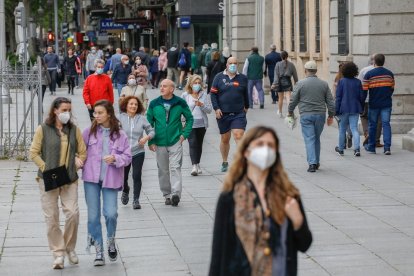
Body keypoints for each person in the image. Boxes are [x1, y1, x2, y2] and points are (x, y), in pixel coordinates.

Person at [209, 126, 312, 276]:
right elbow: (218, 253)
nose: (265, 150)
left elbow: (304, 244)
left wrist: (298, 221)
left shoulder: (288, 195)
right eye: (259, 145)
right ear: (246, 152)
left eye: (270, 146)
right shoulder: (229, 197)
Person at [29, 97, 87, 269]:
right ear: (55, 110)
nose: (66, 113)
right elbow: (34, 152)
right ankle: (58, 254)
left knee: (73, 214)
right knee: (52, 218)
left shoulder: (73, 130)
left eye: (69, 110)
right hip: (48, 178)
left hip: (69, 178)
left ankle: (69, 248)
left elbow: (82, 152)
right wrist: (46, 168)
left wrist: (79, 161)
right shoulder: (43, 129)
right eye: (63, 110)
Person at [82, 100, 132, 266]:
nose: (96, 116)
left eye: (100, 113)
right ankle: (98, 251)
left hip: (110, 179)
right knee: (93, 216)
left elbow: (127, 157)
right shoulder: (89, 132)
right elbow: (80, 152)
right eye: (95, 113)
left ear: (109, 114)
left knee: (111, 214)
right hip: (91, 179)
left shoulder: (120, 135)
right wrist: (77, 160)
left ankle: (111, 240)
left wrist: (115, 158)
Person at [146, 79, 194, 207]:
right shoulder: (154, 104)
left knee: (175, 167)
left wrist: (184, 135)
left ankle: (175, 194)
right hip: (159, 142)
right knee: (163, 170)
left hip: (175, 140)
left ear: (172, 89)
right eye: (160, 86)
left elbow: (189, 119)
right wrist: (151, 140)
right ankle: (167, 195)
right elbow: (149, 123)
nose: (161, 88)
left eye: (165, 86)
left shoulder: (180, 102)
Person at [287, 60, 335, 172]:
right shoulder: (324, 84)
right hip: (320, 115)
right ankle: (316, 161)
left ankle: (312, 163)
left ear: (305, 71)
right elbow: (330, 101)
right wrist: (331, 115)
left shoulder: (300, 84)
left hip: (306, 115)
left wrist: (290, 111)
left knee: (309, 138)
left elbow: (293, 99)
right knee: (316, 138)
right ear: (316, 71)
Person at [210, 56, 249, 172]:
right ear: (226, 64)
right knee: (225, 139)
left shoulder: (242, 78)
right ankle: (225, 161)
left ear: (238, 65)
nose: (233, 65)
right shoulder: (218, 77)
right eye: (230, 63)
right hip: (223, 114)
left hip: (238, 113)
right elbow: (213, 94)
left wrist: (247, 106)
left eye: (235, 63)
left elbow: (246, 94)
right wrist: (216, 108)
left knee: (238, 135)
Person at [119, 96, 155, 209]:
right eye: (131, 104)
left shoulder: (142, 118)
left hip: (138, 151)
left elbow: (152, 130)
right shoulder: (119, 118)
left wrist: (146, 138)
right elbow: (112, 131)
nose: (133, 106)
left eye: (135, 104)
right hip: (124, 153)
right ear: (126, 105)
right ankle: (125, 189)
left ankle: (136, 200)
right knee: (123, 177)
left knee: (136, 175)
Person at [362, 54, 395, 155]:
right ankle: (387, 148)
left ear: (374, 62)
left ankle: (371, 147)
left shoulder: (369, 74)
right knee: (386, 124)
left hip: (374, 103)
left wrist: (362, 102)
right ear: (383, 62)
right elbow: (392, 89)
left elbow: (364, 91)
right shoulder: (390, 74)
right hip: (386, 103)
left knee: (372, 125)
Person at [181, 75, 212, 176]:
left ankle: (197, 163)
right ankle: (194, 165)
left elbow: (209, 110)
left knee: (199, 144)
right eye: (195, 83)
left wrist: (202, 105)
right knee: (192, 143)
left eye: (199, 83)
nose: (197, 85)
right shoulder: (185, 95)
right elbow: (181, 109)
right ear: (190, 84)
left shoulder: (204, 95)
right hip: (190, 124)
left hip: (202, 124)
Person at [335, 62, 366, 157]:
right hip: (355, 108)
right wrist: (361, 107)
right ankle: (357, 149)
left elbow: (338, 97)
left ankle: (340, 149)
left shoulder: (341, 81)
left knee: (342, 129)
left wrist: (336, 109)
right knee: (354, 129)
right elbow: (362, 97)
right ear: (355, 71)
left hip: (343, 109)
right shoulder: (358, 82)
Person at [358, 54, 383, 147]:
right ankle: (376, 140)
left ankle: (367, 133)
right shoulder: (382, 70)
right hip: (377, 99)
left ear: (370, 60)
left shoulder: (364, 70)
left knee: (364, 116)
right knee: (378, 119)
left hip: (366, 98)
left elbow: (359, 84)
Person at [272, 51, 298, 117]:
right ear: (287, 56)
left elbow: (276, 75)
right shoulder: (291, 64)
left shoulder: (278, 64)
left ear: (281, 57)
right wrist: (296, 81)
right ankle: (290, 112)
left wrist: (275, 83)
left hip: (280, 81)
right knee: (288, 98)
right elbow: (295, 74)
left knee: (280, 98)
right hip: (288, 81)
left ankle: (280, 112)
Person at [333, 63, 353, 149]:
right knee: (348, 122)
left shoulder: (337, 78)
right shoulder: (350, 79)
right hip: (350, 103)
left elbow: (334, 93)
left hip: (340, 104)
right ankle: (350, 133)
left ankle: (343, 144)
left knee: (341, 125)